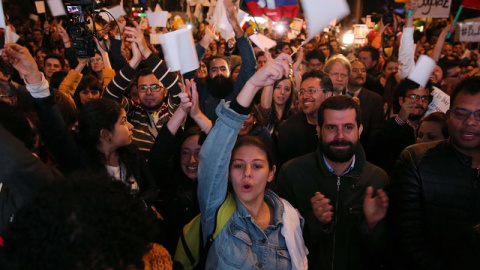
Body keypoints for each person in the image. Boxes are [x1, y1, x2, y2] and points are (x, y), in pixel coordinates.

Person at [198, 53, 308, 269]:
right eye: (238, 165)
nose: (247, 173)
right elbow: (212, 157)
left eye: (257, 166)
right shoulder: (216, 212)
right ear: (228, 172)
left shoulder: (290, 218)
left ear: (271, 173)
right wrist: (253, 84)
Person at [276, 95, 389, 270]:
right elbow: (278, 244)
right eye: (331, 127)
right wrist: (314, 222)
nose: (340, 136)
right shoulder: (292, 173)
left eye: (348, 127)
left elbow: (385, 251)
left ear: (360, 130)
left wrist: (372, 225)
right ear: (318, 130)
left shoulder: (377, 178)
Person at [388, 77, 480, 270]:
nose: (470, 122)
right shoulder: (416, 160)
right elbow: (406, 239)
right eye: (462, 113)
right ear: (448, 116)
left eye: (479, 115)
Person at [276, 70, 333, 166]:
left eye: (311, 91)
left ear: (328, 95)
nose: (304, 96)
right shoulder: (288, 130)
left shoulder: (338, 125)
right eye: (301, 92)